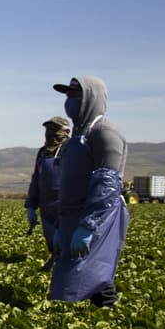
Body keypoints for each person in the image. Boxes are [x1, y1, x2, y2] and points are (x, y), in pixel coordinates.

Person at [48, 76, 128, 307]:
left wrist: (88, 225)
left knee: (89, 273)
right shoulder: (78, 135)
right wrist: (61, 223)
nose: (68, 101)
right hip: (73, 215)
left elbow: (107, 182)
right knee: (83, 274)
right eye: (67, 96)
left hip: (96, 216)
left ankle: (105, 316)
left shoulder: (104, 132)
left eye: (74, 96)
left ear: (90, 98)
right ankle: (100, 314)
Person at [25, 115, 71, 269]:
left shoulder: (72, 150)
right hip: (46, 206)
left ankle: (64, 268)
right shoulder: (43, 152)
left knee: (66, 243)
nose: (51, 137)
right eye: (48, 133)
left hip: (66, 206)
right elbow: (36, 179)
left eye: (55, 133)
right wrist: (31, 205)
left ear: (66, 132)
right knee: (51, 240)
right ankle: (55, 259)